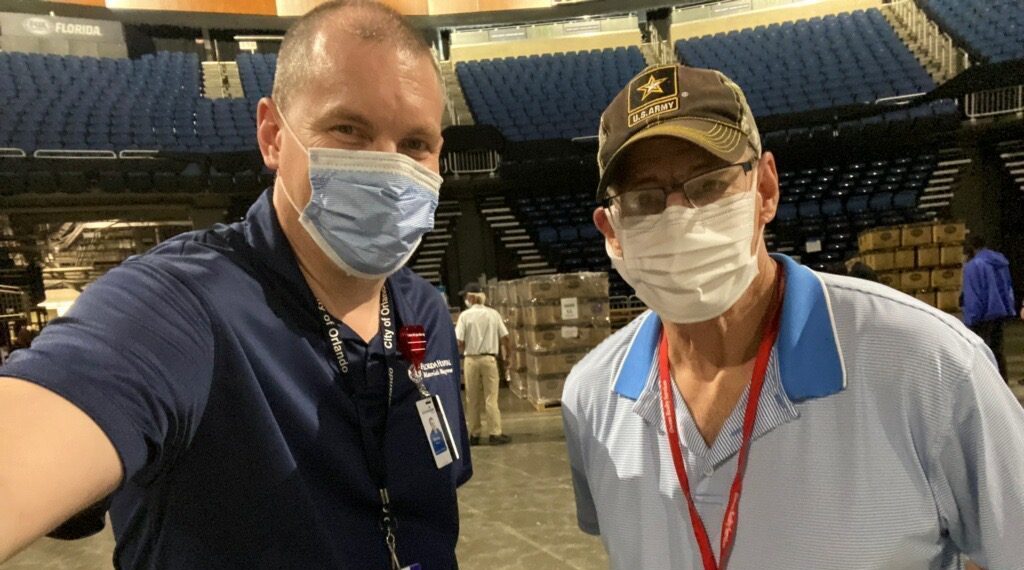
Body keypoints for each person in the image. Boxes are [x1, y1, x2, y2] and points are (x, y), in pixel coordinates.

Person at [0, 2, 472, 568]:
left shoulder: (422, 309)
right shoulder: (179, 303)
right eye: (349, 129)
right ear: (273, 136)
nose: (390, 169)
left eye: (416, 144)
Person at [562, 64, 1024, 569]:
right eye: (644, 199)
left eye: (709, 184)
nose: (679, 217)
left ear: (765, 188)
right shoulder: (592, 396)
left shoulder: (931, 366)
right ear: (611, 231)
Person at [455, 283, 512, 445]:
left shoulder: (465, 316)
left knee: (472, 398)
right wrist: (508, 356)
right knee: (491, 398)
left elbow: (459, 341)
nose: (465, 299)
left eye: (466, 296)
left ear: (472, 298)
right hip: (489, 359)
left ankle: (474, 435)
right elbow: (505, 337)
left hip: (471, 360)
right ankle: (495, 433)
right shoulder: (493, 314)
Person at [962, 235, 1016, 380]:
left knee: (982, 353)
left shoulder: (973, 266)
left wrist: (970, 319)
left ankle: (987, 383)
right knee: (997, 350)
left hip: (982, 316)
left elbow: (974, 294)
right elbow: (1007, 287)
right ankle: (1002, 382)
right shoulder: (1000, 262)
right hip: (999, 312)